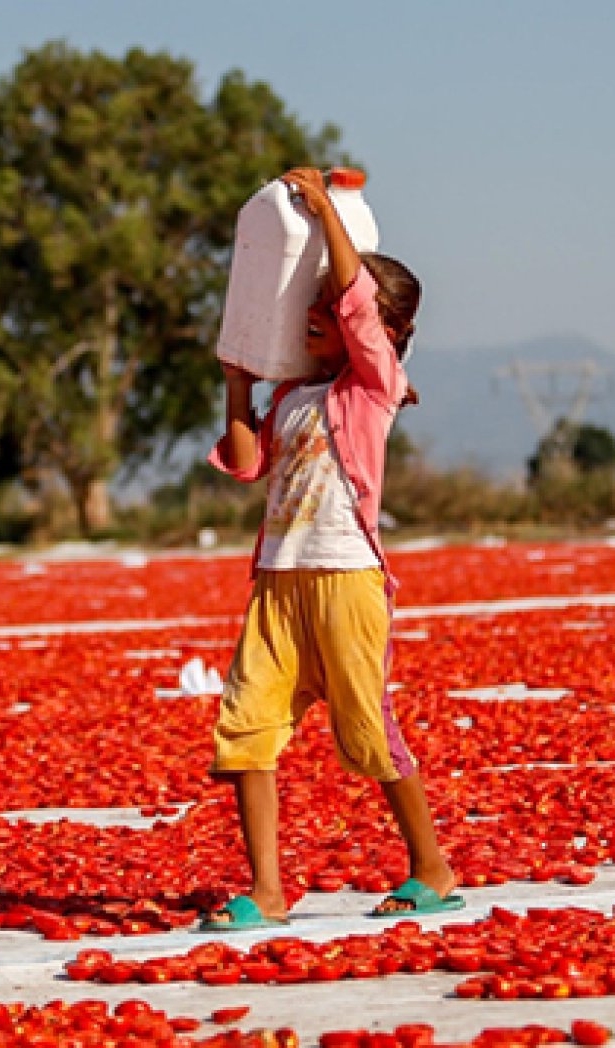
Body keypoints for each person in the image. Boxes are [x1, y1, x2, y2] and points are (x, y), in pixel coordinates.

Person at [200, 167, 459, 930]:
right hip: (278, 583)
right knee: (244, 727)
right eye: (307, 305)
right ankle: (267, 892)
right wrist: (237, 386)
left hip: (346, 578)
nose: (317, 314)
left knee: (367, 729)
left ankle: (432, 868)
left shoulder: (374, 387)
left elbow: (357, 308)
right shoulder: (292, 396)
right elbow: (246, 465)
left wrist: (319, 207)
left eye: (329, 308)